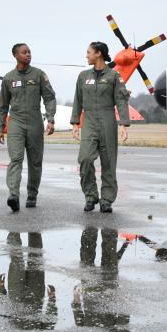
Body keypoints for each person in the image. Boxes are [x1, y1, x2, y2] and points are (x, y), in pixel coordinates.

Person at [70, 41, 131, 213]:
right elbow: (78, 100)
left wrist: (123, 124)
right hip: (89, 120)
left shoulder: (114, 76)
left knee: (108, 162)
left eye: (89, 52)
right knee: (85, 159)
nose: (87, 55)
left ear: (98, 54)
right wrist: (76, 123)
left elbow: (121, 99)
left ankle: (107, 200)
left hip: (107, 119)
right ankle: (90, 196)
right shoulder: (83, 76)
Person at [0, 43, 57, 211]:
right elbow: (2, 105)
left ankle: (32, 195)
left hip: (35, 121)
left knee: (35, 161)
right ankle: (13, 194)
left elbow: (49, 98)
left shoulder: (39, 75)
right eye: (24, 52)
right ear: (15, 55)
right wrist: (0, 127)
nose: (28, 54)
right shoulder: (8, 78)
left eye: (29, 52)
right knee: (16, 159)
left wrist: (50, 119)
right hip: (15, 121)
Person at [0, 232, 57, 330]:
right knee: (36, 259)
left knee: (17, 260)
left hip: (16, 297)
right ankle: (34, 229)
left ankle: (14, 229)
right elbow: (49, 324)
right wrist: (52, 301)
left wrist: (1, 290)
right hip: (36, 297)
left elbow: (5, 316)